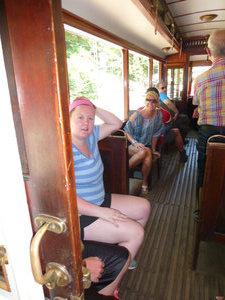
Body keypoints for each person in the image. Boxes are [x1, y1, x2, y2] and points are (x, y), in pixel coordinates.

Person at [70, 97, 151, 266]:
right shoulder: (64, 149)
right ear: (68, 118)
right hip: (81, 215)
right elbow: (66, 197)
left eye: (90, 118)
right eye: (80, 117)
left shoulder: (91, 136)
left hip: (100, 199)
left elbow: (115, 123)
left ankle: (123, 256)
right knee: (136, 233)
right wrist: (102, 213)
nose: (86, 123)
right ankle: (114, 271)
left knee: (144, 207)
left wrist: (94, 107)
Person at [192, 29, 225, 207]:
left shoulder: (200, 79)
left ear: (208, 52)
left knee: (204, 171)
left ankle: (201, 211)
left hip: (208, 134)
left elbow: (197, 103)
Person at [123, 90, 164, 195]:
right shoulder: (136, 115)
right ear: (144, 101)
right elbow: (126, 132)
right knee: (146, 152)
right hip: (131, 145)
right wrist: (135, 143)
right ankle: (144, 184)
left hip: (146, 146)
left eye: (153, 101)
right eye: (148, 100)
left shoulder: (159, 115)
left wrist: (154, 149)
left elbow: (156, 133)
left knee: (147, 152)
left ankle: (121, 172)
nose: (150, 103)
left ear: (157, 102)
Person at [146, 87, 188, 163]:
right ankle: (182, 153)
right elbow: (169, 122)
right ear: (158, 96)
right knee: (176, 131)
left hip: (143, 139)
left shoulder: (140, 110)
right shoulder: (162, 110)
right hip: (157, 139)